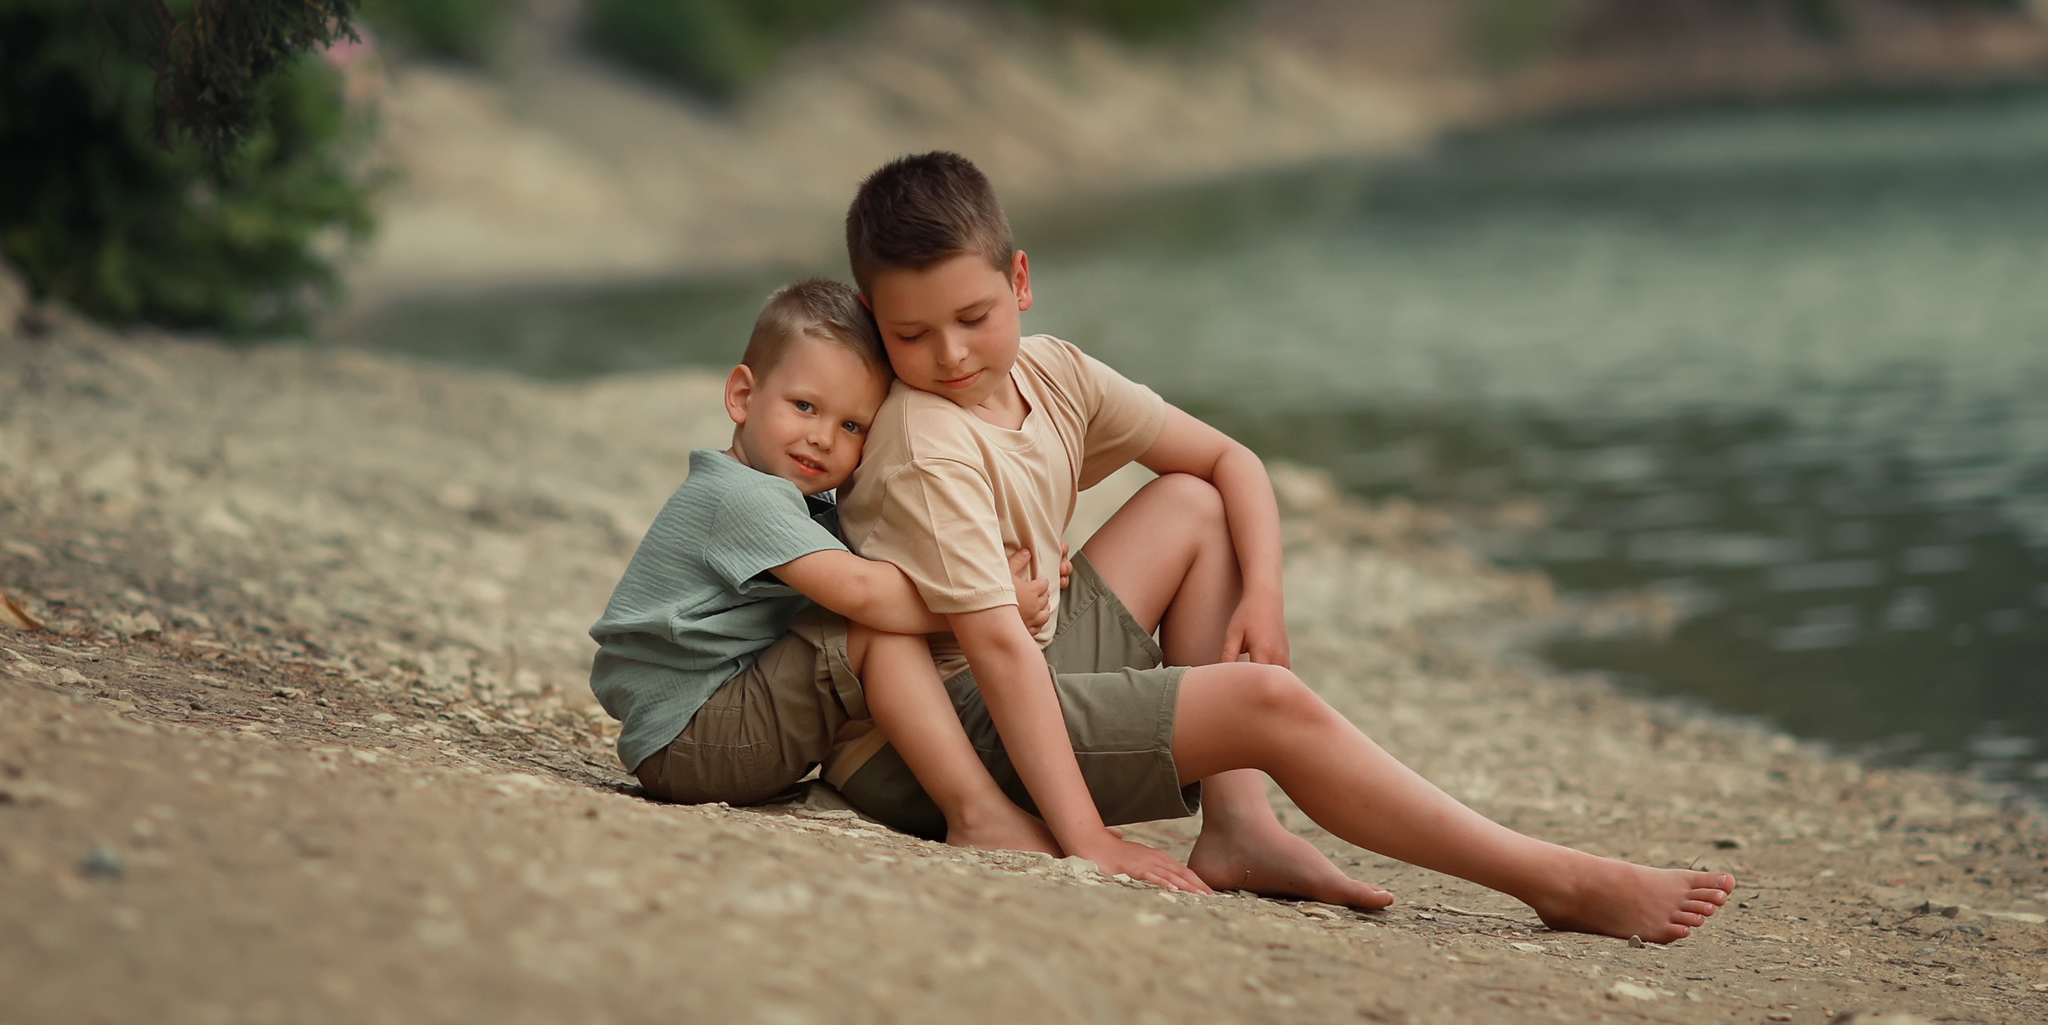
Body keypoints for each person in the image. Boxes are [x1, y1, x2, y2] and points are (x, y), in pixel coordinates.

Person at [833, 152, 1735, 942]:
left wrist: (1263, 593)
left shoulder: (1052, 371)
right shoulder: (926, 442)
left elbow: (1232, 459)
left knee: (1193, 502)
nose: (951, 353)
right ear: (877, 321)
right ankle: (1557, 881)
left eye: (974, 316)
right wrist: (1090, 842)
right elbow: (992, 648)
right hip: (934, 738)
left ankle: (1239, 824)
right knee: (1265, 698)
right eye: (912, 334)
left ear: (1020, 280)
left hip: (1024, 665)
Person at [587, 278, 1055, 852]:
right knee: (867, 629)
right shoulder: (739, 496)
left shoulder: (799, 500)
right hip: (691, 741)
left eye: (852, 426)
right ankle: (977, 814)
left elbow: (892, 562)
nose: (822, 439)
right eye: (805, 406)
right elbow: (862, 591)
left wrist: (999, 570)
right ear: (741, 396)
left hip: (716, 723)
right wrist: (986, 606)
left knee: (873, 619)